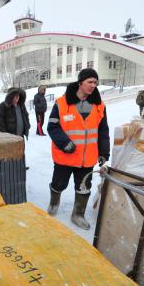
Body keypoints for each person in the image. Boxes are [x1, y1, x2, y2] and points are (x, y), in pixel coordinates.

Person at [47, 68, 110, 229]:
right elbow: (52, 126)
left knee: (84, 187)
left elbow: (103, 131)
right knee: (58, 183)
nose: (93, 85)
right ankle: (54, 204)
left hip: (87, 159)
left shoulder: (99, 106)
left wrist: (103, 152)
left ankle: (78, 214)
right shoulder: (62, 103)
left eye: (95, 82)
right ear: (80, 82)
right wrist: (64, 143)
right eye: (90, 82)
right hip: (65, 156)